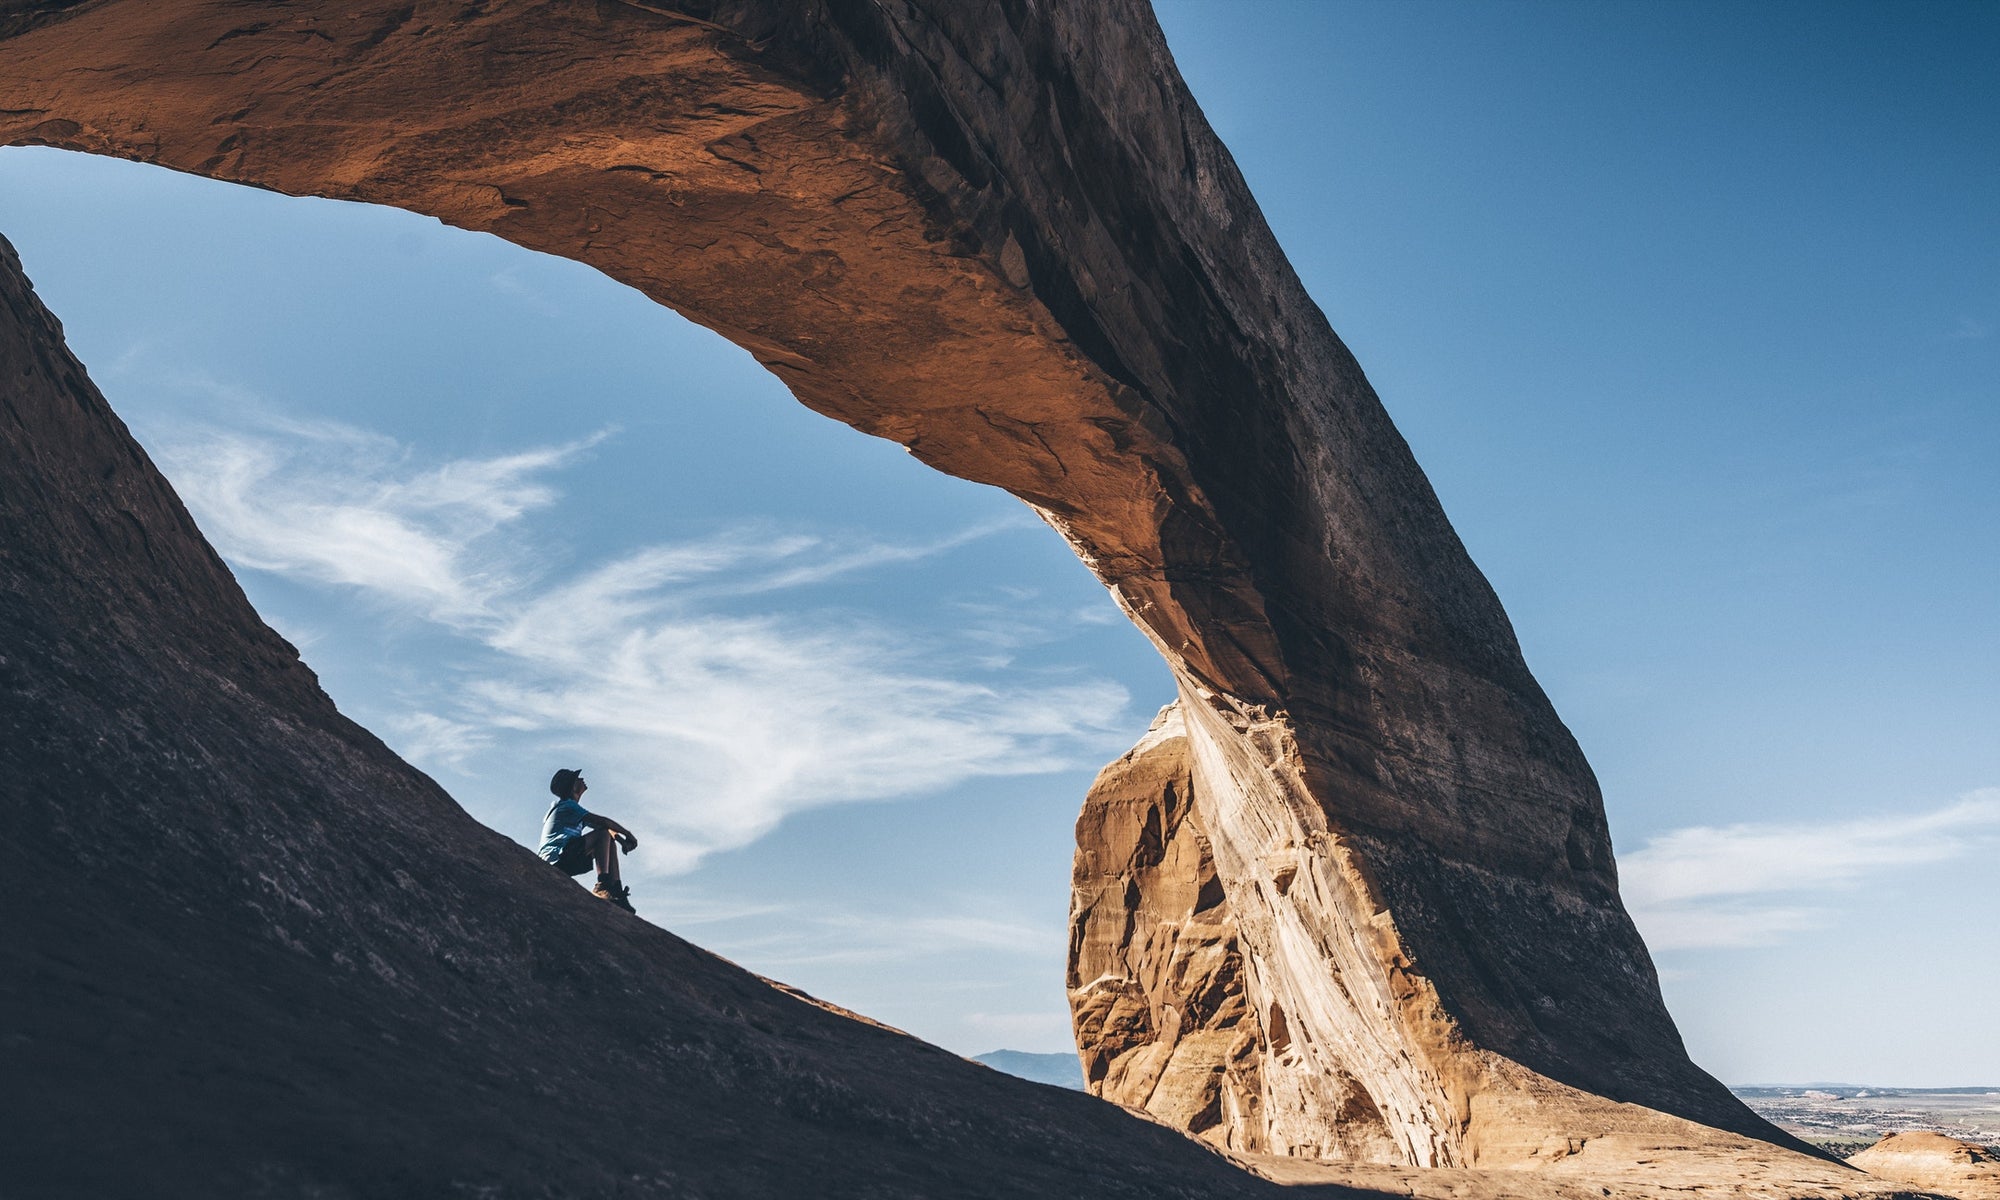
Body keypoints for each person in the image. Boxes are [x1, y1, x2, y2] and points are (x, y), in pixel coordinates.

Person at [538, 768, 638, 913]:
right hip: (556, 859)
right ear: (573, 786)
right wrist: (628, 834)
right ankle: (602, 885)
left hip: (566, 856)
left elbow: (605, 827)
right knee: (603, 834)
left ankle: (616, 890)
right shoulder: (567, 805)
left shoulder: (573, 809)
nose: (582, 779)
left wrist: (621, 841)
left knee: (606, 836)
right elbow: (603, 822)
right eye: (577, 779)